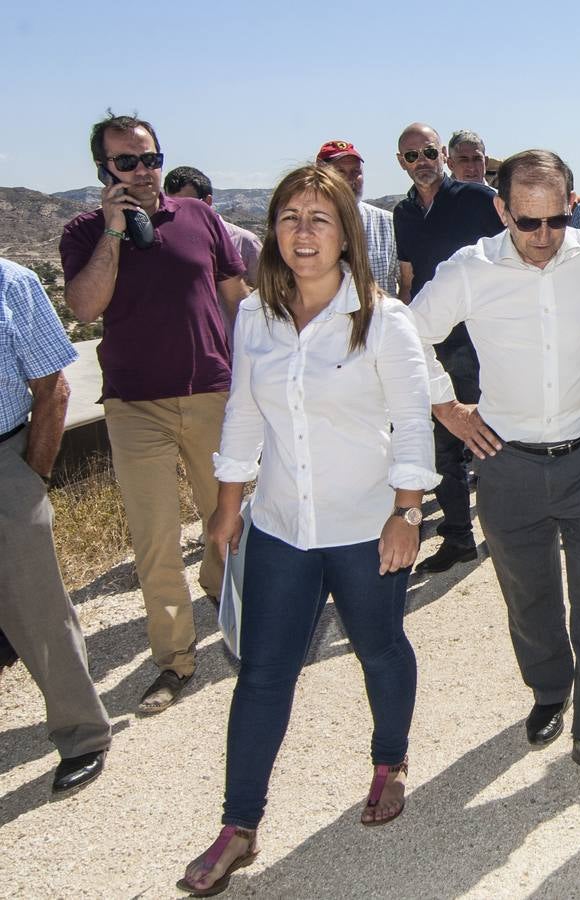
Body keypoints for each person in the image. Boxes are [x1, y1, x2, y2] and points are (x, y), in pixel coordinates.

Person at [178, 164, 438, 896]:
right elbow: (243, 413)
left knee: (380, 649)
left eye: (319, 218)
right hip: (284, 526)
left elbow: (413, 423)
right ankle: (239, 824)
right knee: (263, 674)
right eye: (289, 216)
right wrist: (227, 509)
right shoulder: (256, 315)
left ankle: (389, 760)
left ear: (347, 233)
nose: (302, 231)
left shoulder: (384, 319)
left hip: (366, 526)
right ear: (272, 231)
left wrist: (408, 512)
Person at [410, 149, 580, 788]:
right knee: (529, 593)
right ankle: (549, 688)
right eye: (527, 223)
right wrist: (449, 410)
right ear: (501, 210)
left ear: (572, 206)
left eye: (555, 221)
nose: (543, 239)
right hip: (506, 464)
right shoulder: (471, 269)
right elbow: (408, 335)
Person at [60, 113, 249, 713]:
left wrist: (253, 375)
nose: (142, 171)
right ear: (103, 170)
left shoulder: (199, 218)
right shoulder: (83, 232)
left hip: (211, 392)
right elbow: (87, 306)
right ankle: (175, 661)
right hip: (134, 405)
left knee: (230, 518)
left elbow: (235, 300)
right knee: (155, 539)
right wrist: (115, 231)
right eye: (126, 162)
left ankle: (236, 617)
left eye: (149, 158)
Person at [0, 258, 112, 795]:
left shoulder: (12, 282)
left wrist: (31, 478)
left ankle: (82, 734)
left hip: (5, 464)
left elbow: (52, 389)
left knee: (37, 607)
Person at [393, 122, 505, 573]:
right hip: (429, 341)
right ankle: (459, 536)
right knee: (442, 440)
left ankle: (504, 530)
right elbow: (407, 276)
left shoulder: (477, 199)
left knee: (489, 435)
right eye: (410, 155)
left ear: (442, 153)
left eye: (428, 152)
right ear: (400, 162)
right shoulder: (403, 213)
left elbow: (511, 253)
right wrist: (401, 333)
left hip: (478, 338)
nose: (421, 161)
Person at [316, 140, 400, 298]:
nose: (350, 179)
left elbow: (406, 283)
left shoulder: (388, 223)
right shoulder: (303, 228)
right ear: (320, 174)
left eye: (356, 172)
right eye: (340, 171)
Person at [163, 166, 262, 287]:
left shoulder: (246, 243)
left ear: (207, 201)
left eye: (188, 204)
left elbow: (265, 293)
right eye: (171, 205)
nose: (179, 212)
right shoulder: (164, 241)